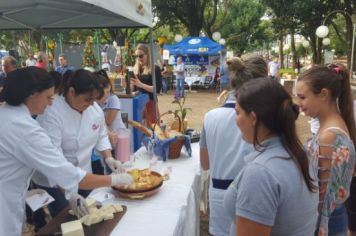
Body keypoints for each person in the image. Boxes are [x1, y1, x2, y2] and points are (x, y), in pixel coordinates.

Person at [0, 67, 133, 235]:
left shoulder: (7, 114)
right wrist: (115, 179)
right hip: (10, 202)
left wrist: (108, 158)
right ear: (32, 94)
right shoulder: (27, 126)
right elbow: (60, 169)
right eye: (48, 97)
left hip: (15, 193)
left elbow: (100, 135)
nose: (50, 102)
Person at [224, 78, 318, 236]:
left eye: (238, 112)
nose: (236, 119)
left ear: (253, 118)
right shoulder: (299, 153)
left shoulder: (260, 173)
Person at [32, 69, 126, 217]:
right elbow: (54, 162)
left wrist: (109, 158)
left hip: (84, 173)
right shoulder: (51, 112)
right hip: (53, 180)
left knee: (92, 213)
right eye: (87, 99)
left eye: (94, 100)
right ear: (71, 92)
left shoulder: (94, 110)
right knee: (65, 218)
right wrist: (69, 194)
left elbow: (101, 135)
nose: (91, 104)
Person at [200, 54, 268, 236]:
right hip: (256, 200)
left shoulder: (210, 117)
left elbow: (205, 164)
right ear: (264, 79)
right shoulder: (264, 119)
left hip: (220, 198)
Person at [296, 64, 356, 236]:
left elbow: (323, 196)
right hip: (332, 217)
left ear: (323, 94)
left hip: (326, 220)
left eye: (302, 97)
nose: (299, 104)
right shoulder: (332, 127)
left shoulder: (328, 136)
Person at [130, 43, 162, 127]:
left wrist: (141, 85)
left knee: (153, 129)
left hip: (150, 103)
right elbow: (133, 89)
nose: (138, 58)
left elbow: (157, 89)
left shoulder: (155, 69)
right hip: (139, 104)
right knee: (140, 130)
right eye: (136, 56)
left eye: (141, 56)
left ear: (147, 54)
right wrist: (130, 86)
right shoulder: (136, 69)